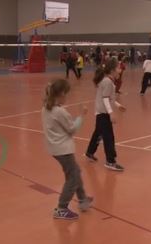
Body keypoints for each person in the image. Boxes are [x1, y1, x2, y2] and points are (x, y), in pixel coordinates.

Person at [42, 79, 93, 220]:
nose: (67, 97)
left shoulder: (47, 106)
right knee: (73, 177)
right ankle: (61, 208)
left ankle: (82, 199)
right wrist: (82, 115)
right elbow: (72, 129)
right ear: (61, 94)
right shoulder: (59, 112)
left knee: (74, 171)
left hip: (55, 148)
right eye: (66, 94)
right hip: (63, 149)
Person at [85, 59, 126, 171]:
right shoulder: (107, 82)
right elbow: (105, 98)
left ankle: (89, 152)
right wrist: (111, 112)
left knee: (98, 133)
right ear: (112, 70)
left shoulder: (107, 81)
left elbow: (109, 98)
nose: (120, 70)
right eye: (118, 68)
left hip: (101, 112)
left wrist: (118, 105)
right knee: (108, 137)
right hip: (103, 113)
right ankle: (110, 161)